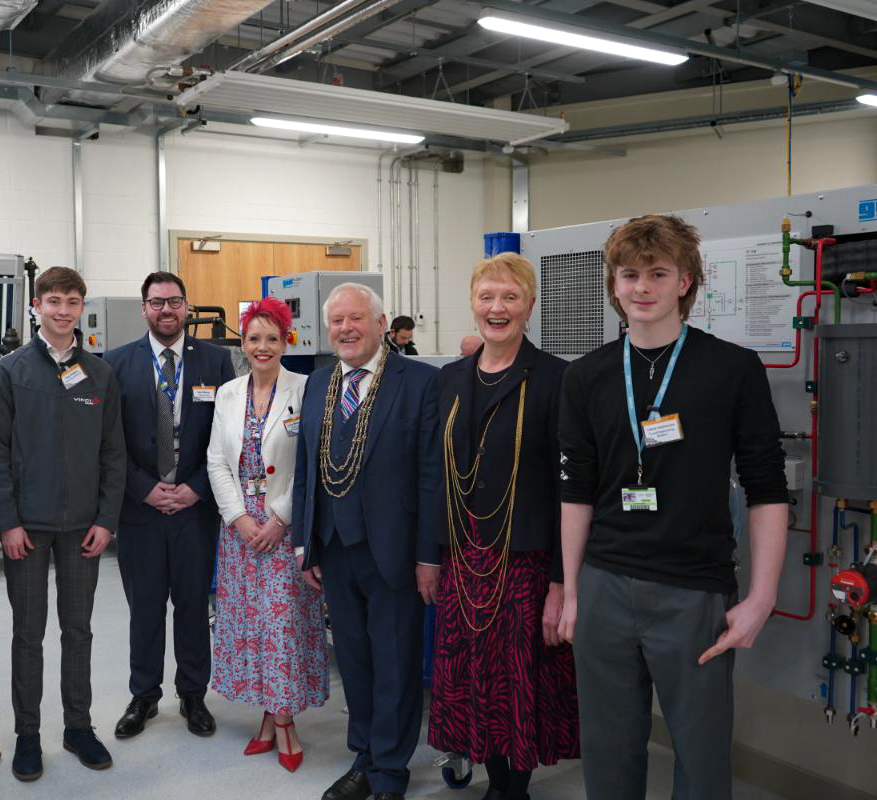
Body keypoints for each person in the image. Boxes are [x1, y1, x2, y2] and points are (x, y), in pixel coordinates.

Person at [557, 215, 788, 800]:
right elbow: (576, 491)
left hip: (693, 589)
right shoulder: (587, 376)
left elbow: (766, 489)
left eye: (658, 273)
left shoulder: (733, 369)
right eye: (629, 274)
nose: (642, 288)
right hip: (605, 582)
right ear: (613, 283)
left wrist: (760, 598)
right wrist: (573, 590)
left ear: (685, 281)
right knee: (608, 753)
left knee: (702, 755)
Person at [428, 253, 579, 800]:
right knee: (473, 679)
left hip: (526, 561)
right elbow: (433, 473)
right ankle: (495, 778)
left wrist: (563, 582)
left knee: (518, 680)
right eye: (488, 296)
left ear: (529, 306)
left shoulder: (558, 379)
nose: (498, 308)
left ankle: (514, 787)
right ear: (472, 304)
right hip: (463, 559)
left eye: (510, 297)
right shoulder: (448, 380)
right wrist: (430, 554)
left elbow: (573, 489)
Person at [292, 282, 441, 800]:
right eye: (336, 321)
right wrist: (304, 543)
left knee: (396, 662)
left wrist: (429, 555)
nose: (346, 329)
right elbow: (306, 470)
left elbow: (430, 476)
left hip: (395, 550)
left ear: (381, 324)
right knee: (353, 659)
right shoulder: (317, 384)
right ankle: (364, 756)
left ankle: (390, 773)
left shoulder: (420, 382)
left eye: (356, 319)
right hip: (333, 547)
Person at [0, 266, 127, 782]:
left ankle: (78, 727)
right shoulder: (11, 371)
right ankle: (28, 735)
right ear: (37, 306)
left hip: (82, 529)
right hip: (27, 528)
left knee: (79, 631)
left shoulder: (100, 373)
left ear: (81, 307)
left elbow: (115, 454)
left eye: (71, 301)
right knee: (28, 633)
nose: (63, 310)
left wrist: (106, 520)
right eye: (54, 301)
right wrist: (8, 523)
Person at [106, 272, 236, 740]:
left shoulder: (217, 362)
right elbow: (109, 442)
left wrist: (196, 488)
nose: (166, 310)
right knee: (144, 607)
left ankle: (193, 693)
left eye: (175, 301)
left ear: (187, 306)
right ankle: (143, 695)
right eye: (157, 302)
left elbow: (226, 439)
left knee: (191, 604)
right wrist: (144, 488)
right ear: (144, 308)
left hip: (195, 510)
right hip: (139, 511)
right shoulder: (116, 363)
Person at [207, 297, 328, 773]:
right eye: (254, 338)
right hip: (239, 532)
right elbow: (217, 460)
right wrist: (238, 518)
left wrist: (279, 518)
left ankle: (283, 724)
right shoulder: (228, 393)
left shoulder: (307, 388)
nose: (263, 347)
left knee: (283, 630)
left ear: (286, 341)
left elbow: (309, 465)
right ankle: (266, 715)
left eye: (272, 338)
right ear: (243, 342)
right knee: (250, 630)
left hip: (285, 528)